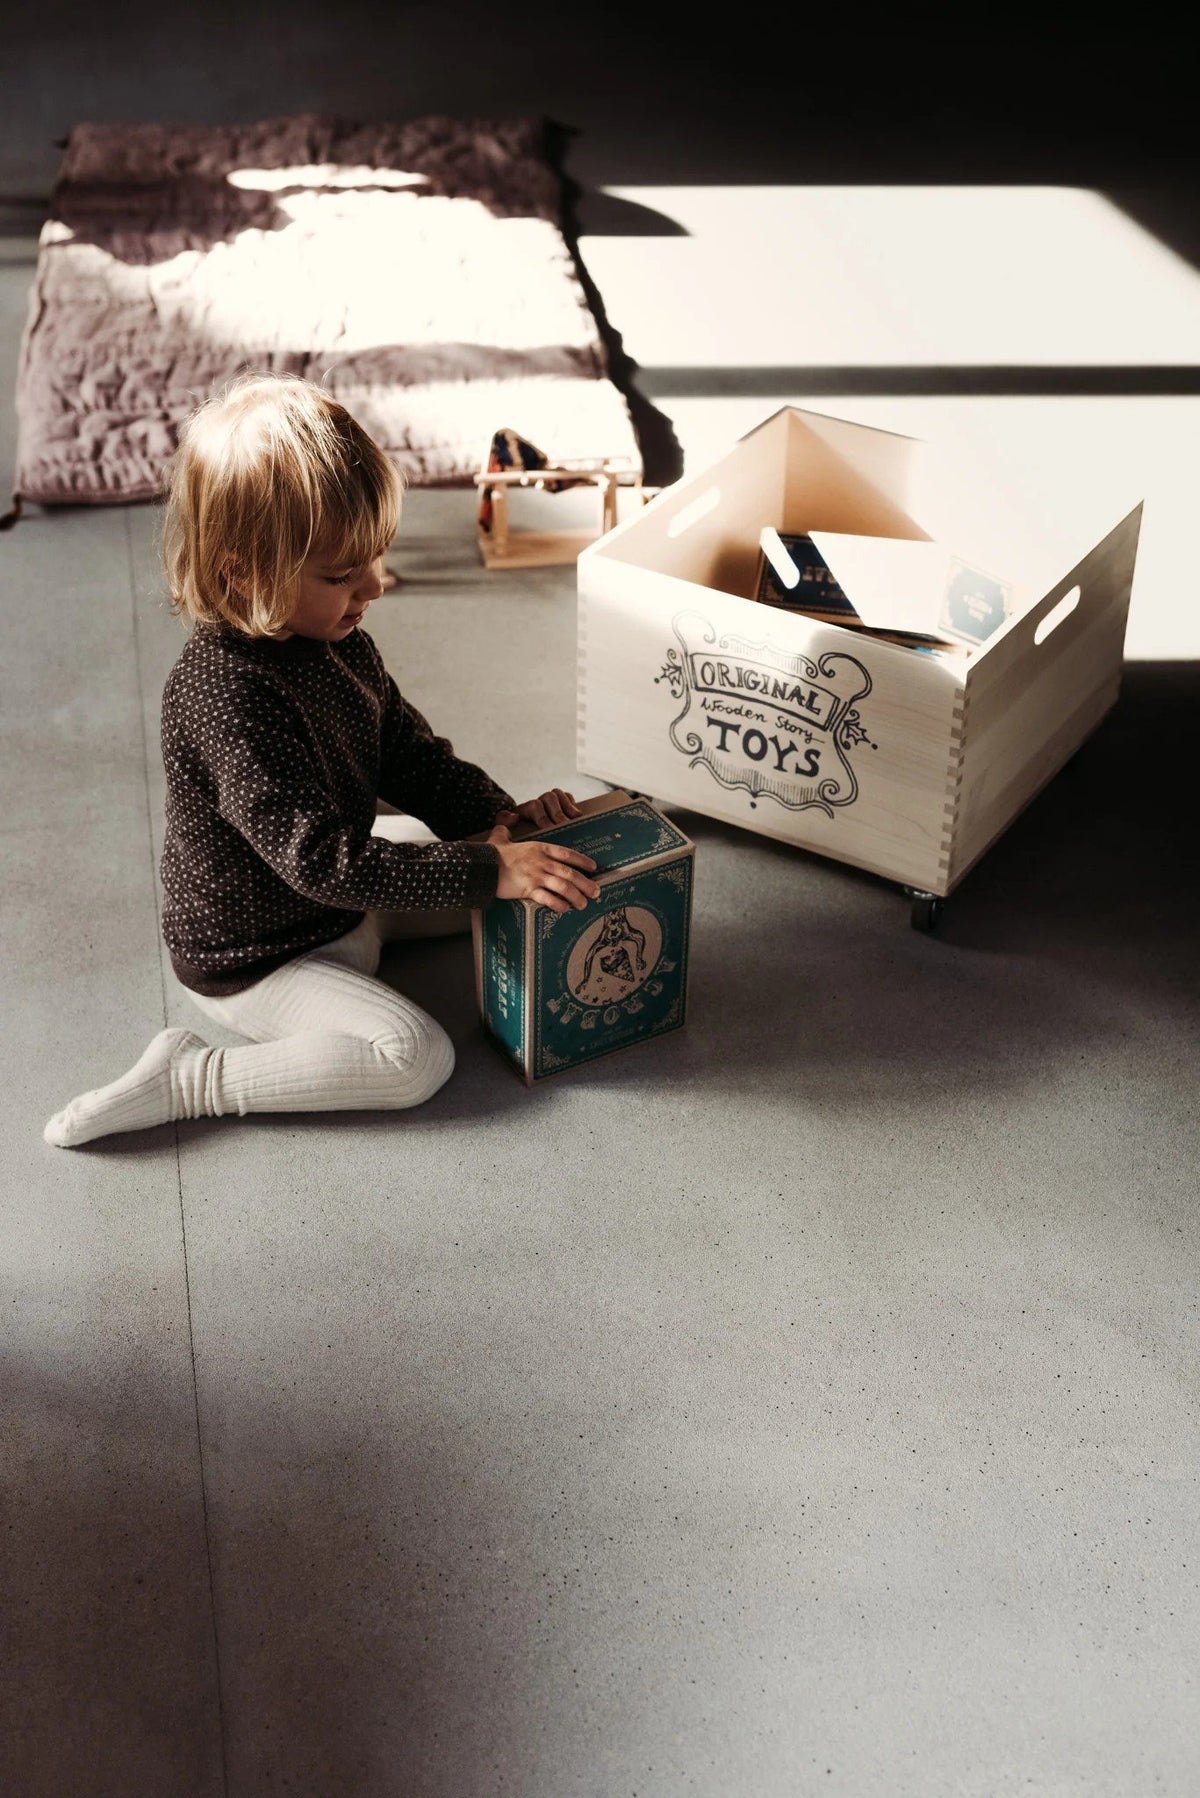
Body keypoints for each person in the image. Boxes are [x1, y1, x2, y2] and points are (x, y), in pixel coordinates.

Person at [44, 374, 601, 1147]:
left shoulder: (339, 641)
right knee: (413, 1057)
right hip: (264, 955)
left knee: (496, 860)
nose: (374, 586)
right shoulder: (222, 696)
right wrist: (486, 869)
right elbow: (320, 862)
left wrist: (497, 819)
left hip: (341, 895)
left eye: (374, 559)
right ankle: (190, 1079)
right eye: (341, 575)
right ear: (243, 572)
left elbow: (409, 755)